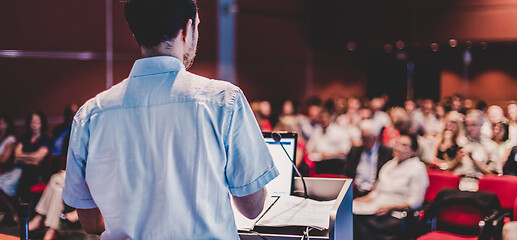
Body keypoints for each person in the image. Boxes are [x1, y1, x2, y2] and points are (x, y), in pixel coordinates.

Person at [62, 1, 279, 239]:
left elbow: (90, 221)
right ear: (187, 29)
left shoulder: (90, 114)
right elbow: (252, 208)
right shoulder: (223, 101)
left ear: (136, 32)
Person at [353, 133, 429, 239]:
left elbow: (415, 202)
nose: (397, 147)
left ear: (413, 151)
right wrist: (359, 200)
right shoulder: (390, 164)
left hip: (395, 213)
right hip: (376, 206)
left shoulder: (418, 168)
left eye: (404, 145)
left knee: (358, 223)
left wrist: (389, 207)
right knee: (350, 214)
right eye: (397, 143)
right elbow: (376, 193)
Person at [343, 120, 393, 197]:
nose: (364, 141)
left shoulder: (387, 152)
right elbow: (347, 172)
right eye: (363, 138)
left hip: (376, 192)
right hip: (356, 190)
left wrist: (379, 185)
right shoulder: (355, 150)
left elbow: (389, 175)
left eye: (367, 138)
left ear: (376, 137)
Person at [451, 110, 499, 177]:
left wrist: (474, 160)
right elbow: (448, 168)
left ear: (482, 125)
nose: (469, 128)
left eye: (474, 125)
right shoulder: (461, 142)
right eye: (467, 125)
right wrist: (457, 160)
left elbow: (493, 174)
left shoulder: (491, 146)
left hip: (480, 182)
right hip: (459, 180)